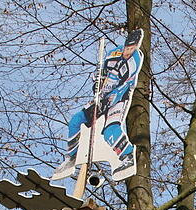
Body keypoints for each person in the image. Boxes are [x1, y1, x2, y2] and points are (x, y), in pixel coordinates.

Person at [57, 29, 144, 178]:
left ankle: (128, 156)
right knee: (76, 120)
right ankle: (71, 156)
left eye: (132, 49)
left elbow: (125, 85)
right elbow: (101, 71)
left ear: (136, 47)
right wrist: (97, 81)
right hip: (102, 95)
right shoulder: (113, 53)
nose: (128, 52)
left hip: (119, 98)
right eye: (127, 48)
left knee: (110, 130)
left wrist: (109, 100)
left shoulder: (135, 60)